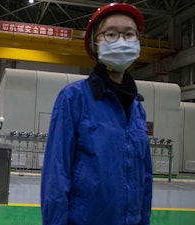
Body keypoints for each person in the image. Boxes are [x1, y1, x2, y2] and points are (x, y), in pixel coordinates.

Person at [41, 3, 153, 225]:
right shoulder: (74, 99)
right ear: (95, 43)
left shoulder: (137, 108)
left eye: (129, 34)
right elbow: (56, 175)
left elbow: (145, 179)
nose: (121, 40)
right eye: (111, 34)